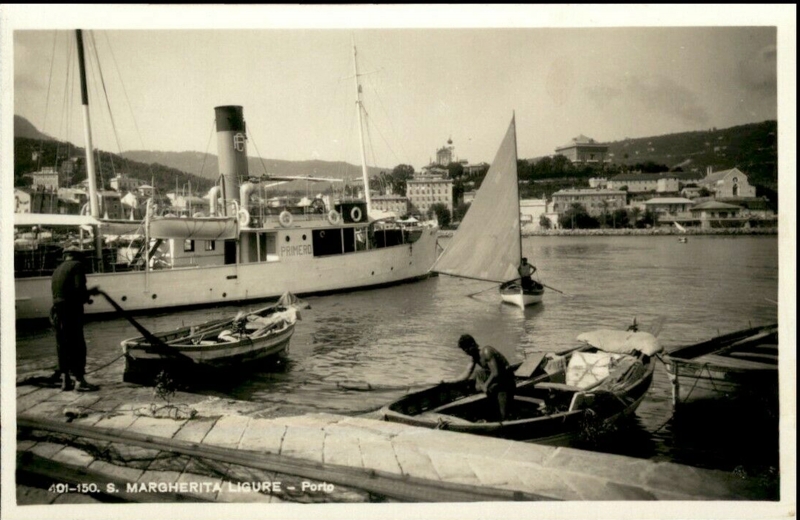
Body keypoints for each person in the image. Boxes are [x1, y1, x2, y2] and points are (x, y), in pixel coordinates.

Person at [50, 247, 100, 392]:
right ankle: (80, 381)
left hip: (56, 311)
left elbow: (61, 292)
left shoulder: (57, 269)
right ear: (78, 257)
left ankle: (66, 380)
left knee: (62, 344)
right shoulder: (77, 266)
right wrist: (89, 295)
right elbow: (79, 289)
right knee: (77, 344)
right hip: (71, 311)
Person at [454, 334, 515, 421]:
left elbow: (495, 373)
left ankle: (504, 417)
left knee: (503, 416)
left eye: (467, 348)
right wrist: (450, 381)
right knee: (476, 374)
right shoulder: (474, 358)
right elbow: (466, 373)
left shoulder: (486, 351)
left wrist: (485, 385)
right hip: (496, 381)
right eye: (464, 350)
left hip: (506, 381)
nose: (466, 351)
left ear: (473, 344)